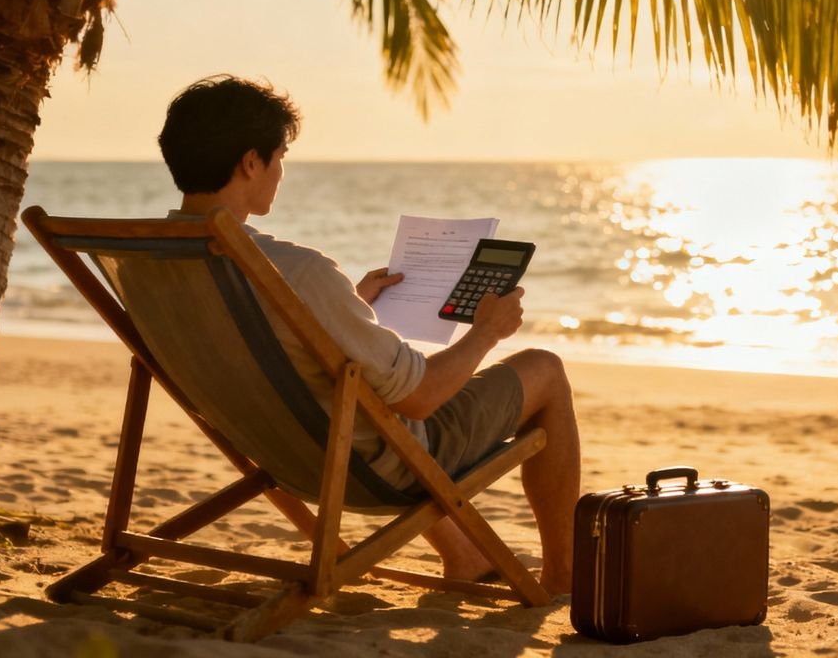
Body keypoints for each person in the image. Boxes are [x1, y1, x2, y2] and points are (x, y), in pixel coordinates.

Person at [156, 74, 579, 595]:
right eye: (280, 154)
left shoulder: (150, 262)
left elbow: (250, 349)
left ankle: (467, 556)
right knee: (545, 369)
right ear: (250, 162)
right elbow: (421, 400)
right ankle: (563, 575)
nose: (281, 170)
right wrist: (486, 332)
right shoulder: (299, 270)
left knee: (365, 390)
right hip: (357, 468)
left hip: (271, 452)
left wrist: (343, 310)